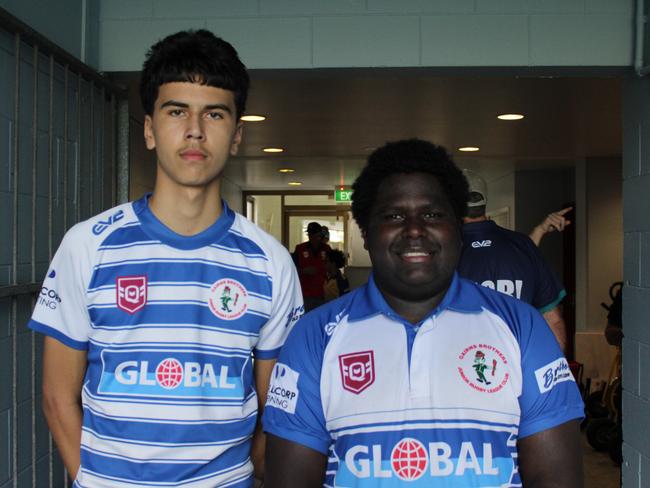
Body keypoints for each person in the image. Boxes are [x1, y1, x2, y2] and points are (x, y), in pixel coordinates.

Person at [28, 29, 303, 487]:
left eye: (214, 114)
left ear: (236, 135)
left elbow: (272, 408)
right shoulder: (87, 245)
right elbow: (57, 396)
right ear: (150, 129)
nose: (195, 129)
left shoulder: (271, 263)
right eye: (177, 111)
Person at [263, 139, 584, 487]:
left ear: (458, 231)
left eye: (432, 214)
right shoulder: (313, 337)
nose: (414, 229)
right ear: (366, 234)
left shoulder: (522, 327)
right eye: (394, 215)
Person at [457, 170, 569, 353]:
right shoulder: (522, 246)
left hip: (463, 367)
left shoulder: (443, 251)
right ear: (484, 202)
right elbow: (553, 319)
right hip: (516, 367)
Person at [293, 222, 331, 311]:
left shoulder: (327, 249)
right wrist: (304, 271)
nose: (313, 238)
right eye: (310, 235)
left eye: (315, 235)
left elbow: (332, 268)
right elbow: (292, 270)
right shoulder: (300, 249)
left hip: (322, 294)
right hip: (304, 295)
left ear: (320, 235)